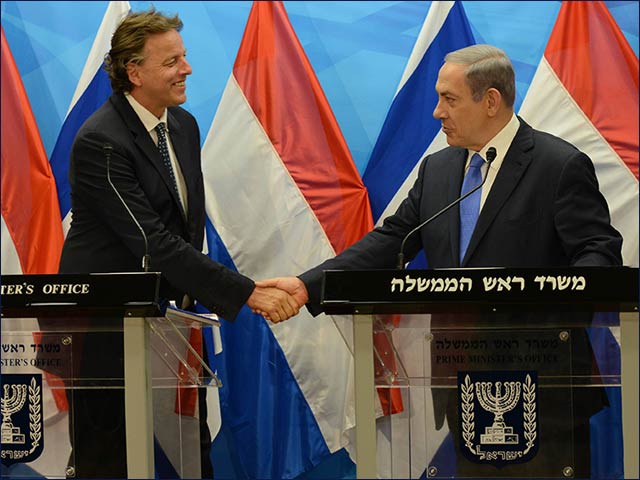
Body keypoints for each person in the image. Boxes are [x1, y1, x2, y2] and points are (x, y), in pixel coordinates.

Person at [260, 44, 623, 478]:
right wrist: (307, 285)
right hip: (463, 381)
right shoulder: (439, 170)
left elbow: (599, 255)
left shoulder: (558, 165)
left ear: (490, 101)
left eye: (448, 99)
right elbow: (391, 240)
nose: (436, 112)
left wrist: (549, 310)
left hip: (545, 383)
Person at [55, 7, 299, 478]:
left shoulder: (182, 126)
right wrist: (246, 291)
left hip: (172, 326)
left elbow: (187, 229)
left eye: (183, 57)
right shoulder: (101, 140)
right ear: (134, 72)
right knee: (113, 460)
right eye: (172, 62)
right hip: (109, 333)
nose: (186, 69)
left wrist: (197, 300)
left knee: (189, 456)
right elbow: (154, 243)